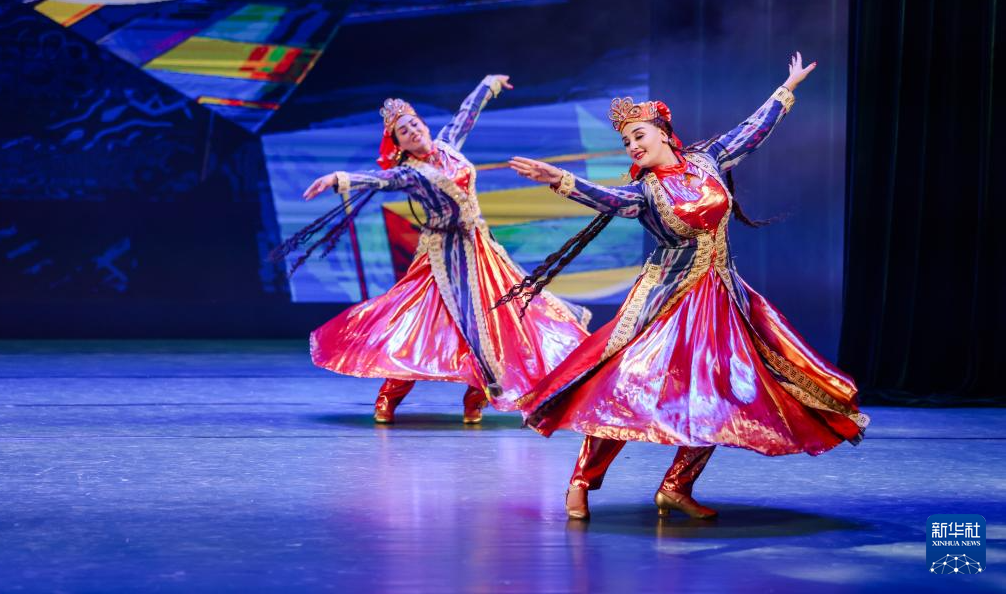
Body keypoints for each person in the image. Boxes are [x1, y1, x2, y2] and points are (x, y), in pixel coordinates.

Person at [504, 54, 868, 519]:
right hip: (667, 302)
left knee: (717, 395)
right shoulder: (645, 193)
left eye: (639, 135)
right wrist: (561, 179)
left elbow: (751, 131)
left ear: (663, 132)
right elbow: (610, 199)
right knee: (626, 386)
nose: (633, 146)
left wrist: (787, 88)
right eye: (626, 142)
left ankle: (676, 486)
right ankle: (582, 480)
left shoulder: (707, 160)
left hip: (720, 301)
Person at [297, 75, 590, 424]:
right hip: (442, 257)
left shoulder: (448, 144)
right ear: (400, 145)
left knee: (498, 321)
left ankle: (476, 399)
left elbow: (466, 114)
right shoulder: (410, 173)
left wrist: (488, 85)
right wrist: (339, 179)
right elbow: (380, 179)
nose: (412, 131)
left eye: (414, 124)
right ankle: (389, 397)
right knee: (417, 323)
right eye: (403, 131)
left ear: (423, 125)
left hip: (480, 250)